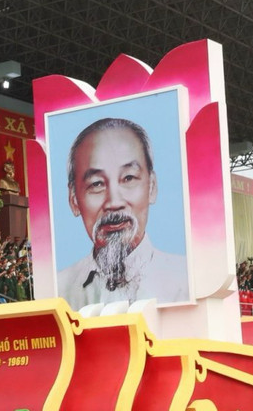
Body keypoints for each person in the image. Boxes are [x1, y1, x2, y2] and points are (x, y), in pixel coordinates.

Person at [56, 117, 189, 309]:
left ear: (151, 186)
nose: (114, 202)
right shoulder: (61, 291)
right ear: (73, 199)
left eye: (128, 178)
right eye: (96, 184)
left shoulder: (185, 280)